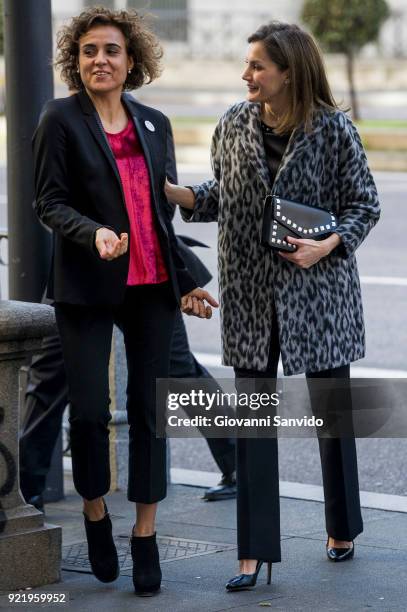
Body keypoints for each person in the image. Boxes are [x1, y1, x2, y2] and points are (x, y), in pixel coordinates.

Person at [165, 21, 380, 591]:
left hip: (320, 291)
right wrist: (177, 194)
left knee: (333, 415)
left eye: (258, 65)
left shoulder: (333, 129)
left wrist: (328, 243)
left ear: (290, 71)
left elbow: (365, 204)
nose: (246, 75)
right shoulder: (233, 123)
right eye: (248, 64)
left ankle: (343, 526)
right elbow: (221, 195)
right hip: (252, 295)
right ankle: (252, 552)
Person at [32, 6, 217, 597]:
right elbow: (48, 202)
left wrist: (184, 280)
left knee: (148, 412)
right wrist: (95, 234)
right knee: (87, 413)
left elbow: (160, 217)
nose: (99, 60)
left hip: (150, 289)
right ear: (76, 61)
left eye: (110, 50)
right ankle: (94, 517)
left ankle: (145, 536)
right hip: (87, 288)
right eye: (88, 51)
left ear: (130, 60)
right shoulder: (60, 119)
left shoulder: (155, 123)